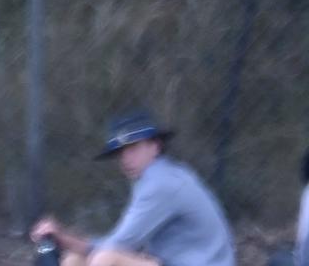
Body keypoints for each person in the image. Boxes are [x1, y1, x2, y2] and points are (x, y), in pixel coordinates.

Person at [30, 109, 236, 266]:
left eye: (133, 148)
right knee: (74, 259)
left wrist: (61, 236)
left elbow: (115, 246)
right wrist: (66, 241)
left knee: (105, 259)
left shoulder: (160, 184)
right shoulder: (158, 175)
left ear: (155, 147)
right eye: (121, 152)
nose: (125, 158)